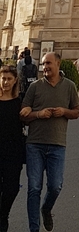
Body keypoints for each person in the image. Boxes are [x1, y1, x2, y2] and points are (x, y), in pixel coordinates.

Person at [20, 51, 79, 232]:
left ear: (58, 64)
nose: (45, 67)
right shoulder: (35, 87)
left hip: (57, 144)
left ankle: (46, 209)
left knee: (55, 186)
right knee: (34, 188)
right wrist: (38, 114)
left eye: (48, 63)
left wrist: (64, 111)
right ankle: (34, 229)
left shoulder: (69, 87)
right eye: (44, 64)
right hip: (35, 144)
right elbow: (23, 115)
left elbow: (76, 112)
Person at [0, 65, 24, 232]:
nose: (6, 82)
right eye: (3, 78)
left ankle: (3, 215)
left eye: (9, 79)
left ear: (15, 80)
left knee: (12, 187)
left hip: (13, 151)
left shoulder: (20, 102)